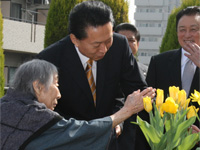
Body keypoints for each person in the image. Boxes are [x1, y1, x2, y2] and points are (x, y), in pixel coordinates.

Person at [37, 1, 155, 149]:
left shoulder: (120, 46)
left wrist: (119, 121)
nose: (104, 50)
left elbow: (136, 90)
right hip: (72, 142)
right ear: (75, 39)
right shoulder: (49, 60)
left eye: (108, 40)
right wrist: (96, 129)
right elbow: (46, 113)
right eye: (96, 44)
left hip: (112, 140)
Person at [0, 59, 155, 150]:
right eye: (56, 84)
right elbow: (81, 133)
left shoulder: (5, 107)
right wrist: (127, 111)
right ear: (38, 86)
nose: (59, 94)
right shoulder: (35, 117)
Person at [145, 6, 200, 150]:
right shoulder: (159, 63)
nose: (187, 35)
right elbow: (148, 111)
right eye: (182, 30)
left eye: (193, 29)